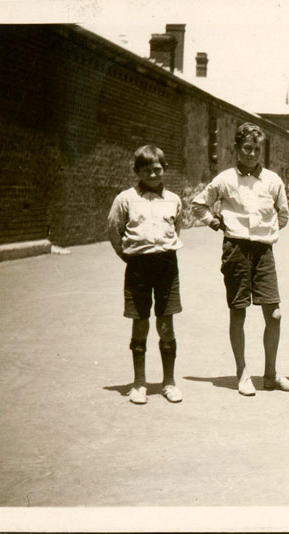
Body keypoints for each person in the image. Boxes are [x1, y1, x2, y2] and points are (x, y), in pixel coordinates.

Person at [191, 122, 289, 396]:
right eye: (247, 148)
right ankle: (242, 373)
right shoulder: (225, 180)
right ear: (236, 149)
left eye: (256, 149)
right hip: (235, 250)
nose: (252, 154)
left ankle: (271, 374)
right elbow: (199, 204)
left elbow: (283, 214)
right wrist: (216, 223)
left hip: (263, 252)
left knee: (274, 314)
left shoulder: (273, 181)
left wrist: (267, 231)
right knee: (238, 312)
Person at [107, 145, 184, 405]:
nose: (153, 175)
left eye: (158, 169)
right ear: (137, 171)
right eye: (147, 170)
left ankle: (169, 382)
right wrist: (128, 256)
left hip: (166, 267)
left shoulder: (173, 199)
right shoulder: (125, 199)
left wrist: (162, 252)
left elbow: (176, 229)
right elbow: (114, 230)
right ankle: (139, 383)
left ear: (165, 170)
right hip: (138, 268)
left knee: (166, 324)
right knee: (140, 322)